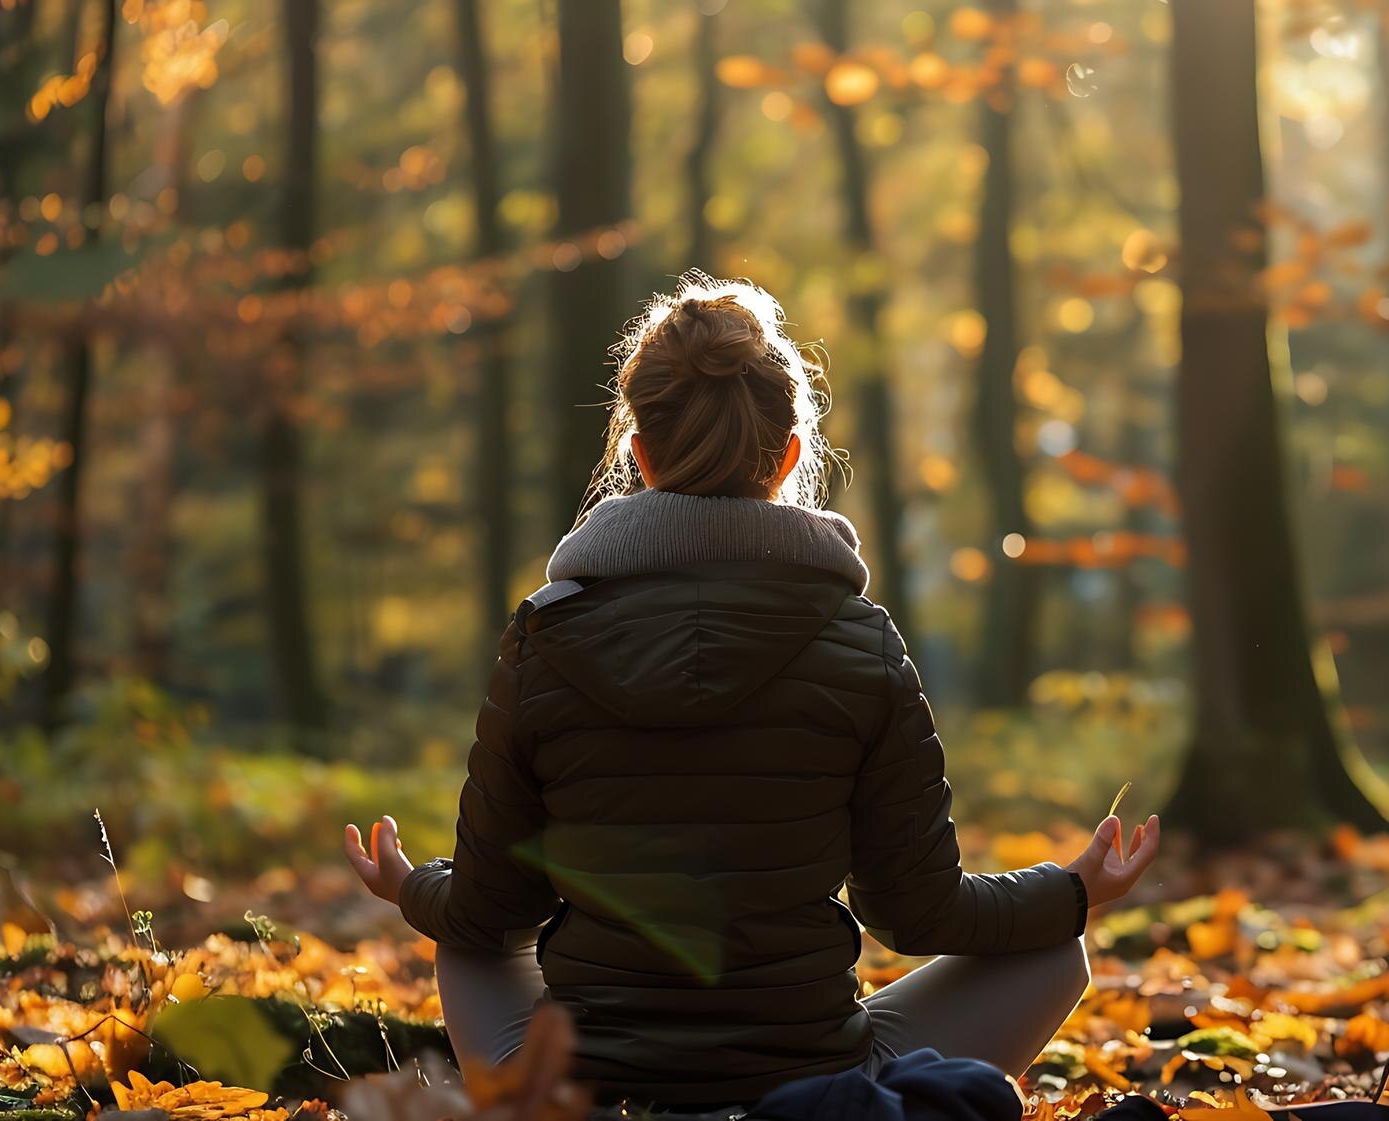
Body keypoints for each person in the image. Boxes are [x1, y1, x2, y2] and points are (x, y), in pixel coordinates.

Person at [342, 272, 1160, 1109]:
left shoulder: (544, 638)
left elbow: (493, 914)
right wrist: (1074, 889)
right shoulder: (860, 640)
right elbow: (918, 915)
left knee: (462, 941)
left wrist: (409, 884)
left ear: (638, 451)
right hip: (808, 1078)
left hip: (589, 1088)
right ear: (794, 453)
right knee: (1059, 948)